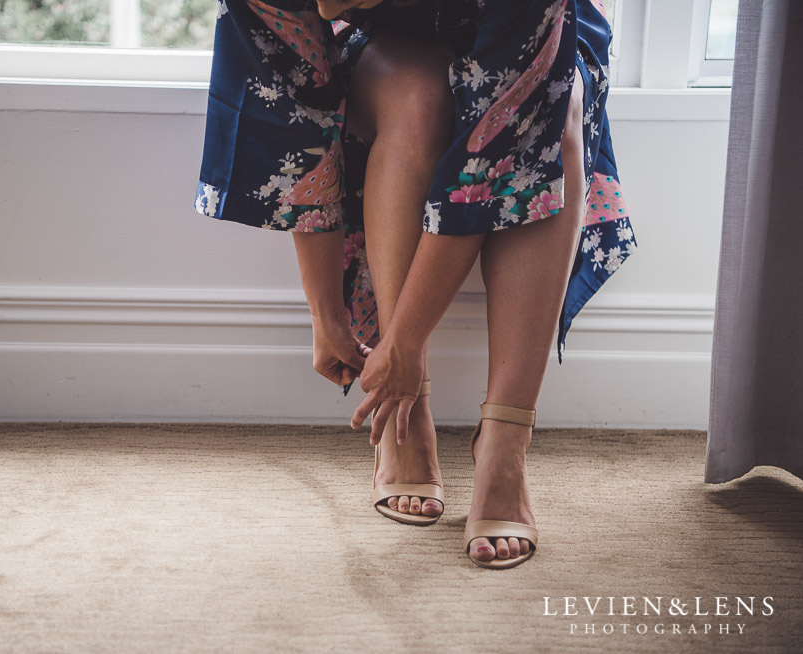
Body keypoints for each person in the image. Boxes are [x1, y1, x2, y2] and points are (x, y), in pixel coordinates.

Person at [195, 0, 635, 569]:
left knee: (555, 118)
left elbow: (496, 157)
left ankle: (505, 445)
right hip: (397, 41)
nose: (327, 8)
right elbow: (296, 120)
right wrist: (326, 315)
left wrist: (399, 339)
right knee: (418, 101)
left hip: (538, 37)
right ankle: (406, 413)